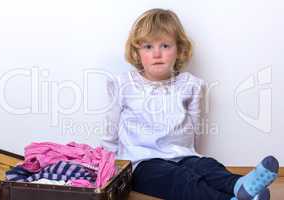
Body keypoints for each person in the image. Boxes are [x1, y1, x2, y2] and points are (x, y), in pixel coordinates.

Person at [101, 8, 279, 200]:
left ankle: (239, 185)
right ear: (136, 52)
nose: (157, 54)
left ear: (179, 50)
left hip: (182, 155)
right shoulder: (124, 84)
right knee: (181, 179)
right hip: (142, 164)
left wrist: (192, 155)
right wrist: (108, 167)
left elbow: (196, 126)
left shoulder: (189, 84)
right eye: (148, 47)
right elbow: (110, 129)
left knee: (207, 166)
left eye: (165, 46)